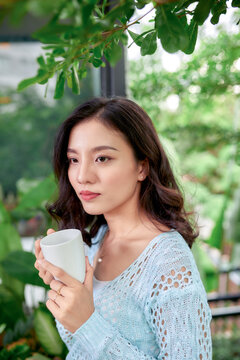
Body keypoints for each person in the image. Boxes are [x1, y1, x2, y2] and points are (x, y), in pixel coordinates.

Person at [34, 97, 212, 360]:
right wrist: (64, 285)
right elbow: (79, 345)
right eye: (73, 159)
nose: (82, 175)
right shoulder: (97, 241)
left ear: (142, 166)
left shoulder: (168, 264)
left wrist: (88, 324)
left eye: (102, 158)